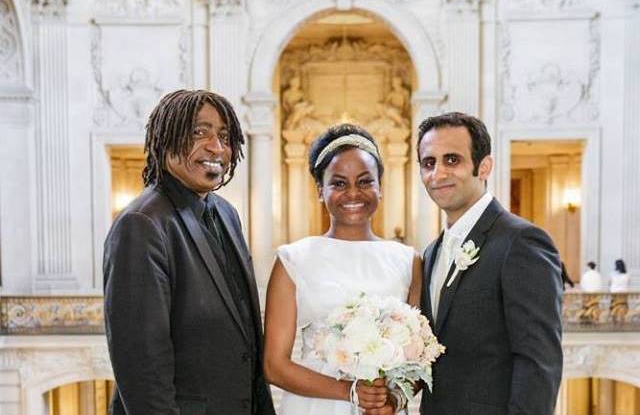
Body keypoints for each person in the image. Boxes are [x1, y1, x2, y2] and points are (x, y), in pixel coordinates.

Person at [103, 90, 275, 415]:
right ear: (166, 138)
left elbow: (245, 342)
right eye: (199, 132)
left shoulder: (226, 213)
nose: (217, 146)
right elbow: (142, 370)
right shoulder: (141, 225)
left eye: (224, 136)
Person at [263, 123, 423, 414]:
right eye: (338, 183)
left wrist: (393, 400)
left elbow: (420, 357)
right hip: (313, 406)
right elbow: (275, 365)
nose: (353, 193)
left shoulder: (408, 260)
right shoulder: (293, 259)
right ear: (320, 191)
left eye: (364, 181)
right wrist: (348, 391)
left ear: (380, 188)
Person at [417, 112, 563, 415]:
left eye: (452, 160)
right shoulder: (431, 252)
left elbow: (538, 363)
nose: (438, 173)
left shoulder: (522, 242)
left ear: (484, 166)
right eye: (429, 163)